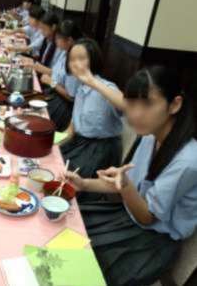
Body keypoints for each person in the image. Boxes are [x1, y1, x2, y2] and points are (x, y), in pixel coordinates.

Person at [65, 65, 197, 286]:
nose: (135, 113)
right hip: (126, 218)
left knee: (81, 269)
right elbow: (125, 183)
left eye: (147, 104)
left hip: (151, 242)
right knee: (68, 228)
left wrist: (125, 186)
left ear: (175, 104)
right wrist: (84, 184)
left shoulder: (188, 161)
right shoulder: (150, 136)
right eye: (131, 103)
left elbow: (147, 216)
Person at [62, 38, 123, 179]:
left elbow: (126, 106)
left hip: (101, 150)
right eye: (72, 59)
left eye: (81, 58)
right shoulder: (80, 88)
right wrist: (51, 143)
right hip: (79, 143)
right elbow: (71, 130)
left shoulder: (106, 87)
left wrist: (92, 82)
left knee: (65, 181)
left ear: (93, 60)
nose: (75, 64)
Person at [40, 20, 83, 131]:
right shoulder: (65, 52)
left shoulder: (75, 60)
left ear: (69, 40)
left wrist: (51, 82)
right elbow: (55, 72)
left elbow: (71, 97)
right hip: (53, 95)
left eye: (58, 38)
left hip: (63, 106)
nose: (55, 40)